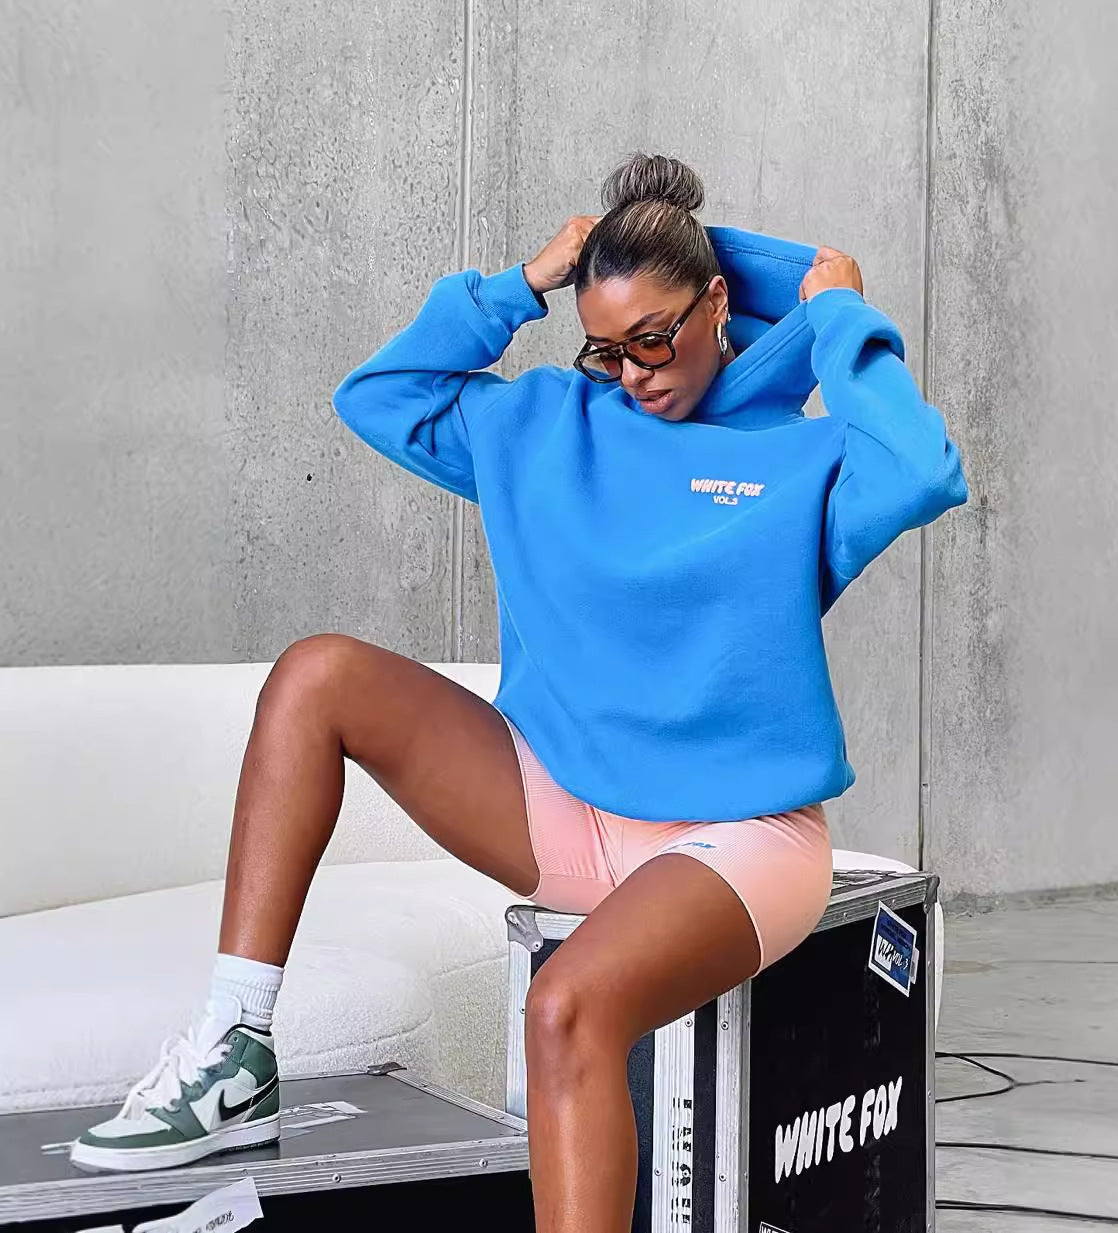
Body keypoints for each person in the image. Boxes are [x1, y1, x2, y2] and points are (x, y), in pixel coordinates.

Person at [71, 152, 967, 1231]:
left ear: (718, 301)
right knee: (318, 674)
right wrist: (523, 282)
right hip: (564, 808)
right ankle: (234, 1048)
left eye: (655, 337)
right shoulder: (544, 424)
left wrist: (835, 313)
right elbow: (379, 397)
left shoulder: (804, 458)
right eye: (606, 348)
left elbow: (923, 470)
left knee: (566, 1006)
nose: (633, 373)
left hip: (737, 837)